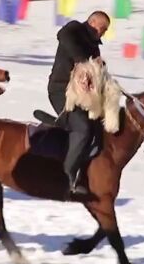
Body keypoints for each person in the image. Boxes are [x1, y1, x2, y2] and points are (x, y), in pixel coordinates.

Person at [47, 11, 110, 196]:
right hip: (61, 91)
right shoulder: (73, 29)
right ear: (92, 22)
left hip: (84, 96)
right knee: (82, 129)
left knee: (100, 129)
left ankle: (85, 176)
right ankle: (64, 177)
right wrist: (87, 61)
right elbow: (63, 37)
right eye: (103, 28)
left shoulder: (95, 48)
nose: (104, 33)